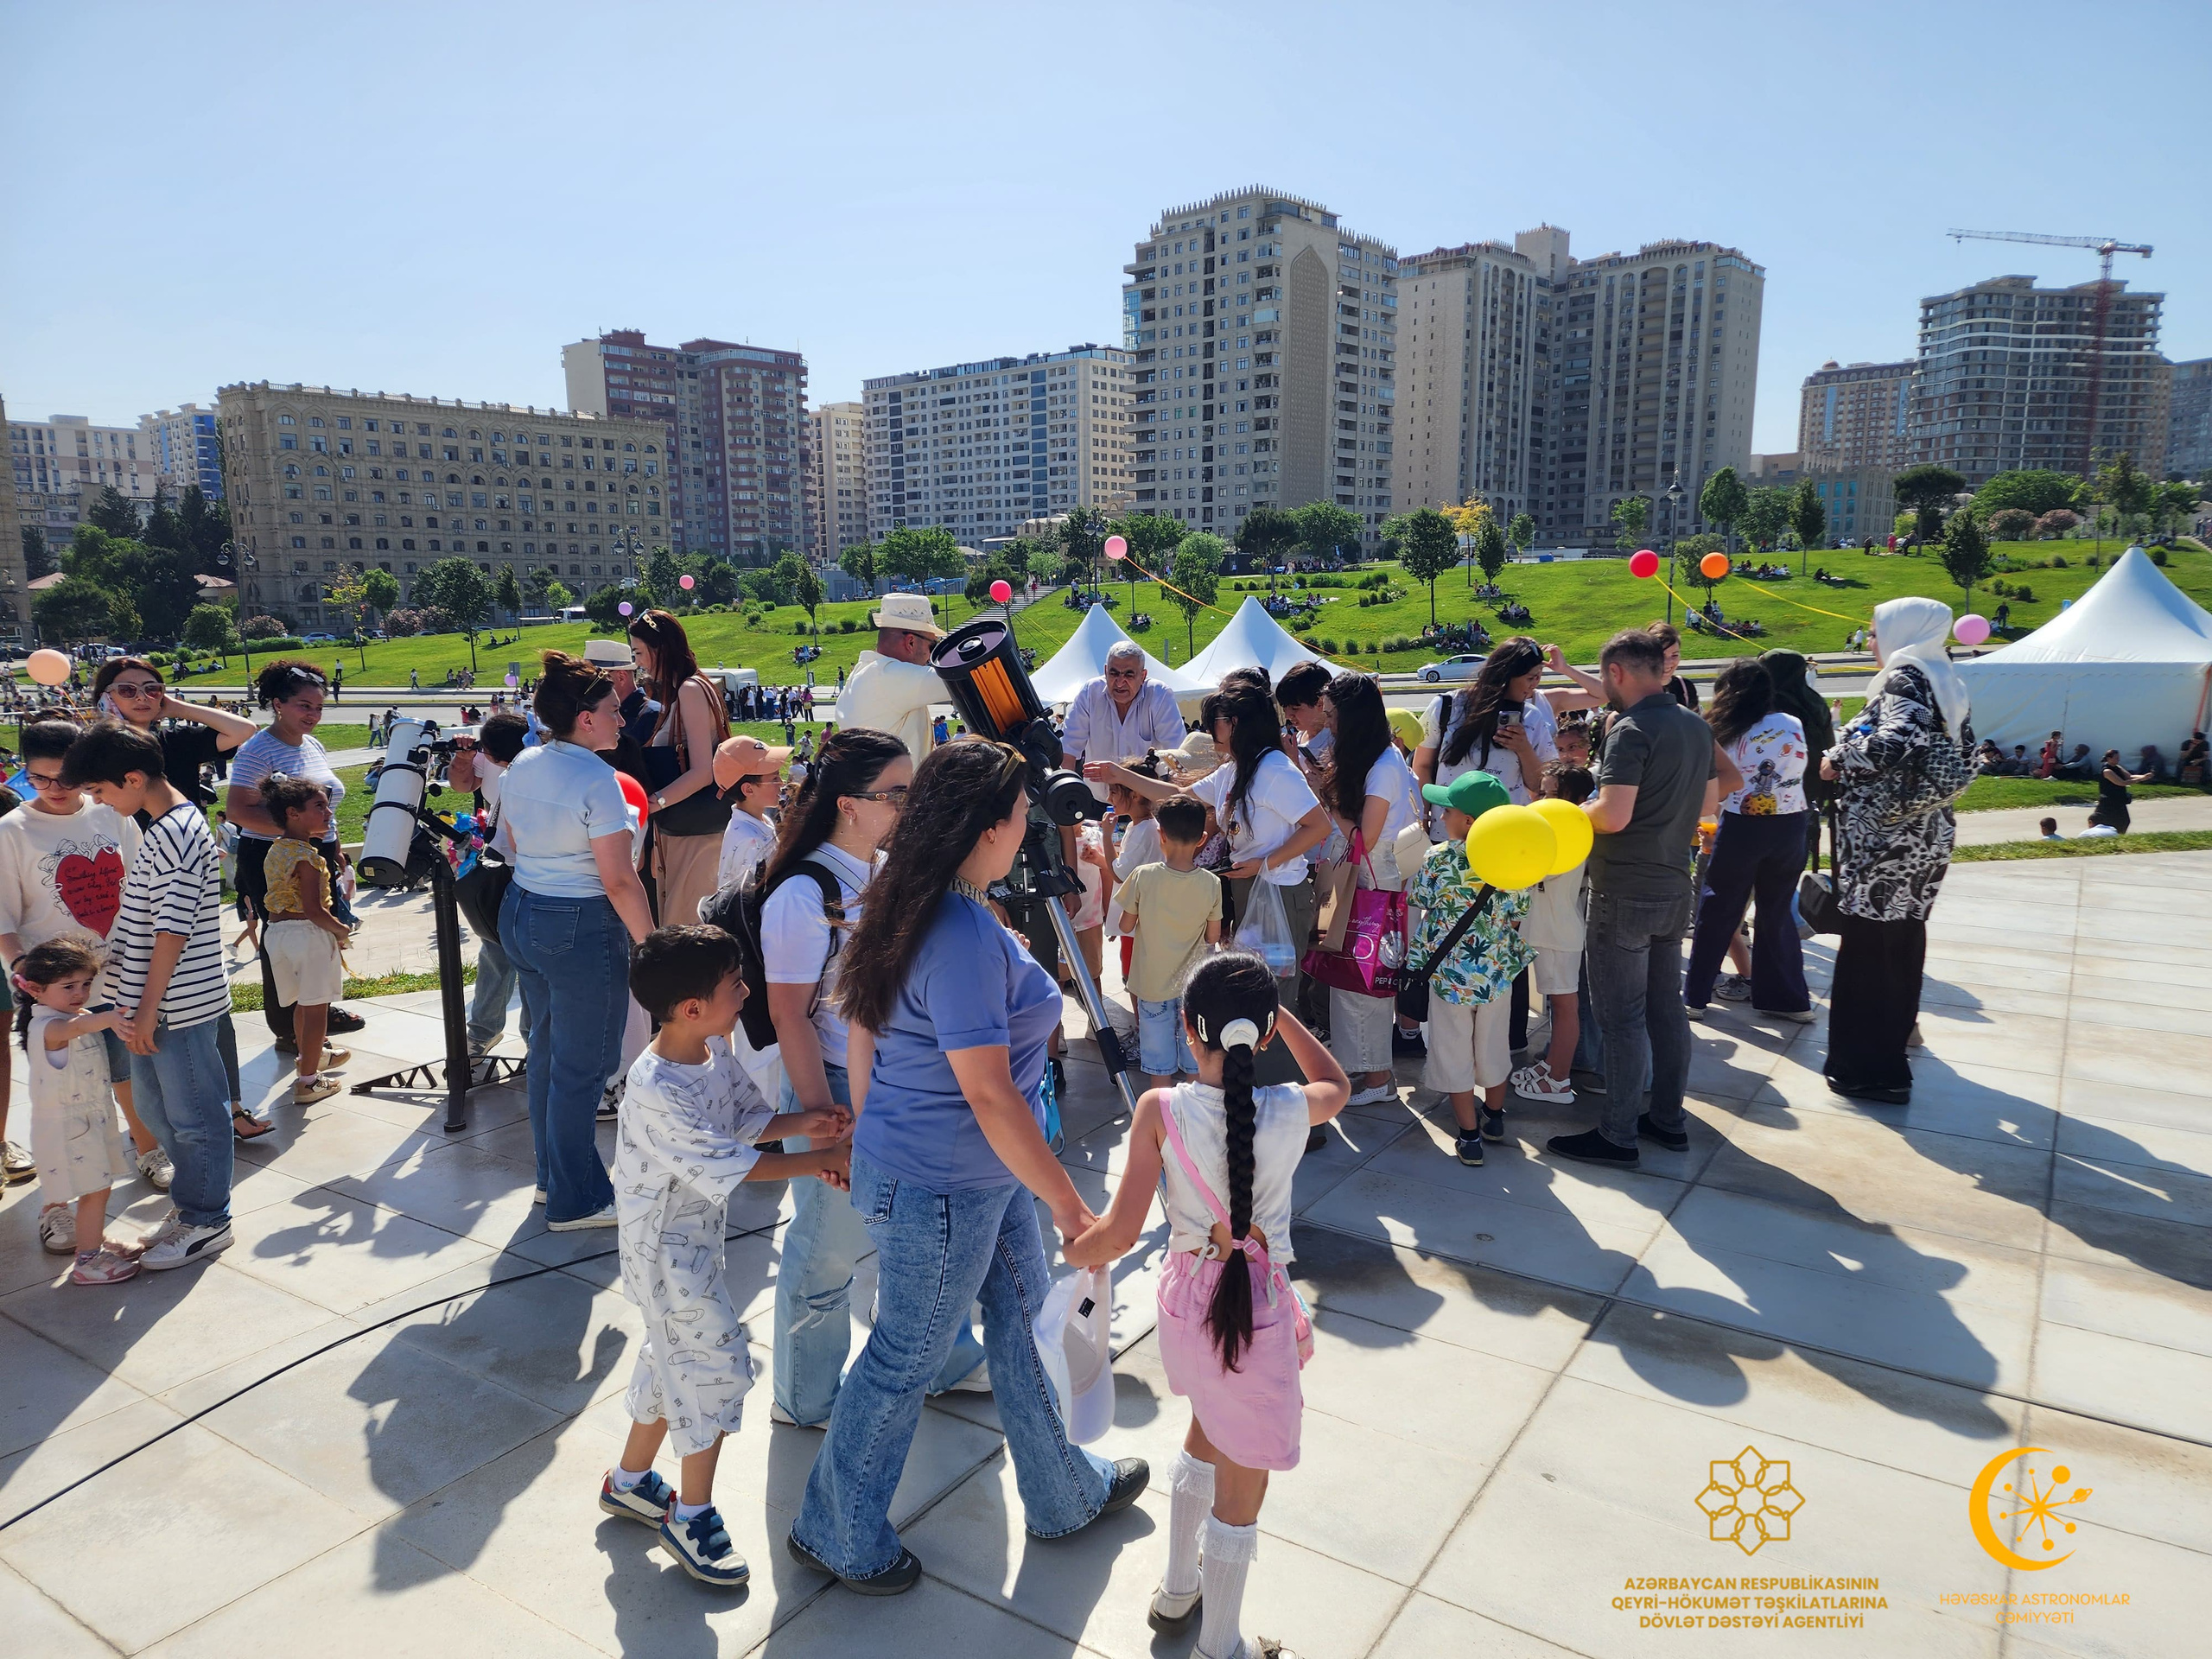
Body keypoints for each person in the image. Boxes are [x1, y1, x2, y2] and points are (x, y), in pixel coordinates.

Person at [786, 739, 1149, 1595]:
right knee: (906, 1357)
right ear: (989, 826)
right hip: (946, 1187)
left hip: (961, 1177)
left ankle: (1062, 1490)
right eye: (1023, 813)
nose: (1030, 826)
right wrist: (1071, 1210)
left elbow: (869, 1030)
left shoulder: (921, 902)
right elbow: (988, 1092)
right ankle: (834, 1530)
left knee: (1025, 1330)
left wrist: (873, 1136)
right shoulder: (953, 930)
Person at [1062, 951, 1350, 1659]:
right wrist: (1282, 1025)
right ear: (1266, 1030)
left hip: (1187, 1310)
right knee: (1241, 1494)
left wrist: (1075, 1253)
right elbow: (1337, 1085)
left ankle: (1176, 1589)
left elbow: (1121, 1233)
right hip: (1253, 1316)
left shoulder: (1160, 1109)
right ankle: (1220, 1646)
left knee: (1207, 1428)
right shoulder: (1288, 1109)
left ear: (1191, 1032)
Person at [601, 925, 853, 1588]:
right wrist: (824, 1160)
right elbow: (733, 1165)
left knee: (669, 1354)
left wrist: (809, 1127)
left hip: (696, 1242)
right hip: (663, 1254)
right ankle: (693, 1514)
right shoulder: (655, 1085)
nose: (745, 992)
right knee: (712, 1365)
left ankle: (629, 1482)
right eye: (734, 984)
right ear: (691, 1008)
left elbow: (745, 1123)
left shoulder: (713, 1050)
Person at [759, 728, 986, 1420]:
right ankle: (802, 1397)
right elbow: (791, 1017)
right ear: (849, 804)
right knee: (829, 1248)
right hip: (834, 1081)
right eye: (898, 794)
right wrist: (828, 1124)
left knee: (916, 1237)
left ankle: (945, 1359)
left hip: (899, 1078)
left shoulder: (883, 869)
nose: (910, 806)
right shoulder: (803, 896)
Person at [1546, 629, 1737, 1171]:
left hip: (1624, 890)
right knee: (1666, 1010)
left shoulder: (1630, 730)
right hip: (1676, 884)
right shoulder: (1694, 726)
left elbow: (1613, 815)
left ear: (1618, 674)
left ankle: (1618, 1132)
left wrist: (1563, 813)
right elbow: (1712, 799)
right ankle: (1668, 1121)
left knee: (1621, 1017)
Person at [1090, 683, 1332, 1088]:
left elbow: (1318, 824)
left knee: (1274, 1002)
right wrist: (1120, 774)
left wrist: (1265, 863)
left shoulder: (1273, 769)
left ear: (1233, 724)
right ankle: (1262, 1100)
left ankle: (1292, 1110)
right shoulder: (1238, 768)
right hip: (1250, 889)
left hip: (1279, 895)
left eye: (1212, 721)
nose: (1208, 729)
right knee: (1256, 999)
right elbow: (1180, 795)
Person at [494, 652, 658, 1230]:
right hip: (578, 924)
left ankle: (552, 1179)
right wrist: (653, 948)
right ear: (585, 719)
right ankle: (576, 1198)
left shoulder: (524, 762)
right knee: (582, 1069)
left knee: (547, 1054)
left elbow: (509, 839)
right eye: (614, 711)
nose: (623, 720)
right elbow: (618, 878)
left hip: (521, 913)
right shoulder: (598, 780)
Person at [64, 721, 235, 1270]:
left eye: (101, 790)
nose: (99, 801)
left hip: (176, 1004)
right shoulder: (160, 826)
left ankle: (208, 1220)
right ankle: (193, 1204)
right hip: (151, 1002)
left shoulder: (180, 833)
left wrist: (146, 1009)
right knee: (161, 1112)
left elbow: (172, 932)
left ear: (133, 779)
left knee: (194, 1117)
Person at [0, 721, 179, 1180]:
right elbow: (2, 919)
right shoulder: (11, 830)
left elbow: (142, 888)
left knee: (128, 1070)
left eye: (64, 776)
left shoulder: (111, 813)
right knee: (65, 1087)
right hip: (56, 991)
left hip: (119, 973)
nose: (53, 788)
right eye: (38, 778)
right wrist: (27, 973)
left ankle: (148, 1150)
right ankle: (66, 1190)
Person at [1818, 597, 1972, 1105]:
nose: (1870, 640)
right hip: (1926, 836)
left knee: (1867, 949)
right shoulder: (1945, 682)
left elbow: (1892, 742)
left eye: (1875, 630)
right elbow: (1964, 755)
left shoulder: (1903, 679)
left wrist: (1837, 759)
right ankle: (1891, 1061)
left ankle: (1867, 1069)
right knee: (1902, 943)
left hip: (1884, 842)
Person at [226, 660, 365, 1052]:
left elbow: (321, 805)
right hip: (275, 857)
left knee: (320, 932)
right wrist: (298, 836)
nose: (313, 715)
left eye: (319, 708)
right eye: (304, 706)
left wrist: (333, 849)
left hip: (315, 851)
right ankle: (289, 1027)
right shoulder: (257, 750)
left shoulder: (312, 744)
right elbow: (238, 810)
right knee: (288, 935)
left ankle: (317, 1009)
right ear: (277, 704)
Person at [1410, 772, 1535, 1165]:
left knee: (1454, 1051)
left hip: (1449, 976)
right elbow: (1518, 914)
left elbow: (1420, 898)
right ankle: (1494, 1119)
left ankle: (1468, 1136)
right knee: (1494, 1045)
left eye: (1449, 809)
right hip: (1497, 973)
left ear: (1468, 821)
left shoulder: (1439, 857)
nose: (1442, 815)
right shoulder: (1515, 864)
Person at [1682, 659, 1813, 1022]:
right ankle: (1789, 1000)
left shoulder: (1726, 729)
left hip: (1744, 825)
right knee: (1776, 913)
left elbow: (1719, 781)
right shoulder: (1793, 723)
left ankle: (1695, 997)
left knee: (1717, 911)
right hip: (1791, 824)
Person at [1313, 671, 1420, 1103]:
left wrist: (1325, 795)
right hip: (1356, 879)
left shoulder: (1385, 765)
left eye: (1332, 715)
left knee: (1366, 982)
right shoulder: (1374, 759)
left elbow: (1366, 838)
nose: (1328, 723)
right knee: (1347, 980)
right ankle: (1362, 1071)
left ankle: (1378, 1080)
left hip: (1372, 879)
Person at [17, 938, 143, 1283]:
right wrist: (113, 1017)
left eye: (87, 984)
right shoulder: (48, 1027)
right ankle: (87, 1262)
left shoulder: (75, 1015)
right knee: (95, 1190)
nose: (81, 993)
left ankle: (94, 1240)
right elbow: (76, 1029)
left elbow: (82, 1021)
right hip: (70, 1130)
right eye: (69, 986)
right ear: (35, 990)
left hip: (88, 1121)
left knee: (97, 1186)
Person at [255, 777, 355, 1104]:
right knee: (316, 1009)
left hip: (277, 934)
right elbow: (314, 910)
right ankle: (309, 1081)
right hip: (306, 935)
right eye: (319, 806)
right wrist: (341, 929)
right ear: (293, 813)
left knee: (301, 1002)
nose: (328, 812)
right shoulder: (309, 858)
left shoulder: (277, 850)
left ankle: (308, 1058)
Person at [629, 610, 732, 927]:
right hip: (685, 829)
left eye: (639, 653)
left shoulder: (689, 689)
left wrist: (654, 801)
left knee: (686, 931)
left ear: (659, 649)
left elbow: (703, 770)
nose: (638, 663)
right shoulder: (688, 688)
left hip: (694, 833)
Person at [1116, 795, 1224, 1090]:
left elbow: (1125, 925)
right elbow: (1213, 937)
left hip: (1151, 987)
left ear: (1160, 834)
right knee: (1194, 1062)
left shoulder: (1143, 876)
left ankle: (1161, 1123)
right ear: (1202, 839)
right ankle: (1192, 1115)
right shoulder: (1211, 883)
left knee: (1158, 1067)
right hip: (1193, 988)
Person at [447, 711, 531, 1076]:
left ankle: (533, 1037)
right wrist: (464, 759)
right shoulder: (503, 758)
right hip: (501, 867)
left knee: (528, 959)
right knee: (496, 952)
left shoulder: (533, 766)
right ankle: (482, 1033)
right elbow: (460, 785)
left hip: (529, 872)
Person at [1511, 762, 1593, 1104]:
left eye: (1550, 794)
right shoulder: (1557, 834)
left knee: (1563, 1006)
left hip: (1559, 931)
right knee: (1556, 1006)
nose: (1540, 800)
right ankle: (1550, 1067)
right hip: (1548, 928)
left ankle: (1558, 1079)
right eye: (1540, 792)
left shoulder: (1570, 836)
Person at [89, 656, 259, 807]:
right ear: (105, 698)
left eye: (152, 689)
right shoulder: (90, 751)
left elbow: (243, 730)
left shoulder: (176, 741)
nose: (142, 697)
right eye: (127, 690)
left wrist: (179, 708)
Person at [1413, 636, 1558, 813]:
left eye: (1538, 677)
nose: (1535, 685)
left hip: (1503, 828)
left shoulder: (1532, 717)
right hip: (1448, 828)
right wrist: (1424, 814)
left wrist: (1524, 749)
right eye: (1531, 678)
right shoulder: (1447, 706)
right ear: (1506, 673)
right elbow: (1422, 765)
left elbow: (1539, 785)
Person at [1064, 641, 1188, 800]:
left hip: (1147, 806)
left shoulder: (1160, 695)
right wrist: (1068, 795)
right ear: (1105, 671)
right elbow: (1068, 749)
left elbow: (1177, 754)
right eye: (1114, 673)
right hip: (1096, 803)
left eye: (1129, 675)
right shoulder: (1090, 692)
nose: (1120, 682)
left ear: (1143, 676)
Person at [838, 591, 945, 761]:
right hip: (897, 788)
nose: (931, 656)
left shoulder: (865, 673)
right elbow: (964, 678)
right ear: (911, 642)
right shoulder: (888, 677)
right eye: (933, 646)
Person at [709, 734, 791, 893]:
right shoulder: (749, 842)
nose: (781, 783)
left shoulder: (762, 820)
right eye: (774, 778)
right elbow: (751, 898)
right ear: (748, 789)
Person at [2089, 749, 2156, 833]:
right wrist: (2140, 780)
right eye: (2116, 758)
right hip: (2108, 801)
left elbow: (2129, 777)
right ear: (2109, 759)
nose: (2118, 760)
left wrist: (2144, 776)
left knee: (2124, 821)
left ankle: (2118, 836)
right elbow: (2121, 783)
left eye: (2118, 758)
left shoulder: (2117, 767)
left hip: (2119, 799)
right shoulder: (2107, 771)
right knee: (2101, 821)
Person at [1647, 621, 1701, 711]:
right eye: (1661, 655)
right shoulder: (1632, 692)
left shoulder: (1685, 688)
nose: (1667, 663)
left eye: (1674, 655)